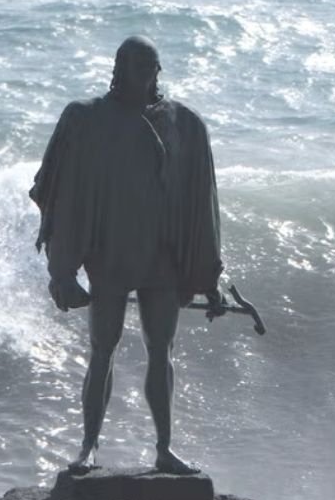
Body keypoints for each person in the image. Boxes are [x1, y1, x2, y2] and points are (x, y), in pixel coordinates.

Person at [30, 36, 224, 475]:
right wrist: (62, 271)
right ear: (117, 68)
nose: (139, 74)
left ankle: (165, 449)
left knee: (162, 351)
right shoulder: (86, 119)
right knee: (102, 349)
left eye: (147, 66)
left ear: (157, 71)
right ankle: (88, 447)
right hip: (110, 257)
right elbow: (61, 193)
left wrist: (207, 275)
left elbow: (202, 206)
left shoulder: (185, 123)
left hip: (161, 260)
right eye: (131, 65)